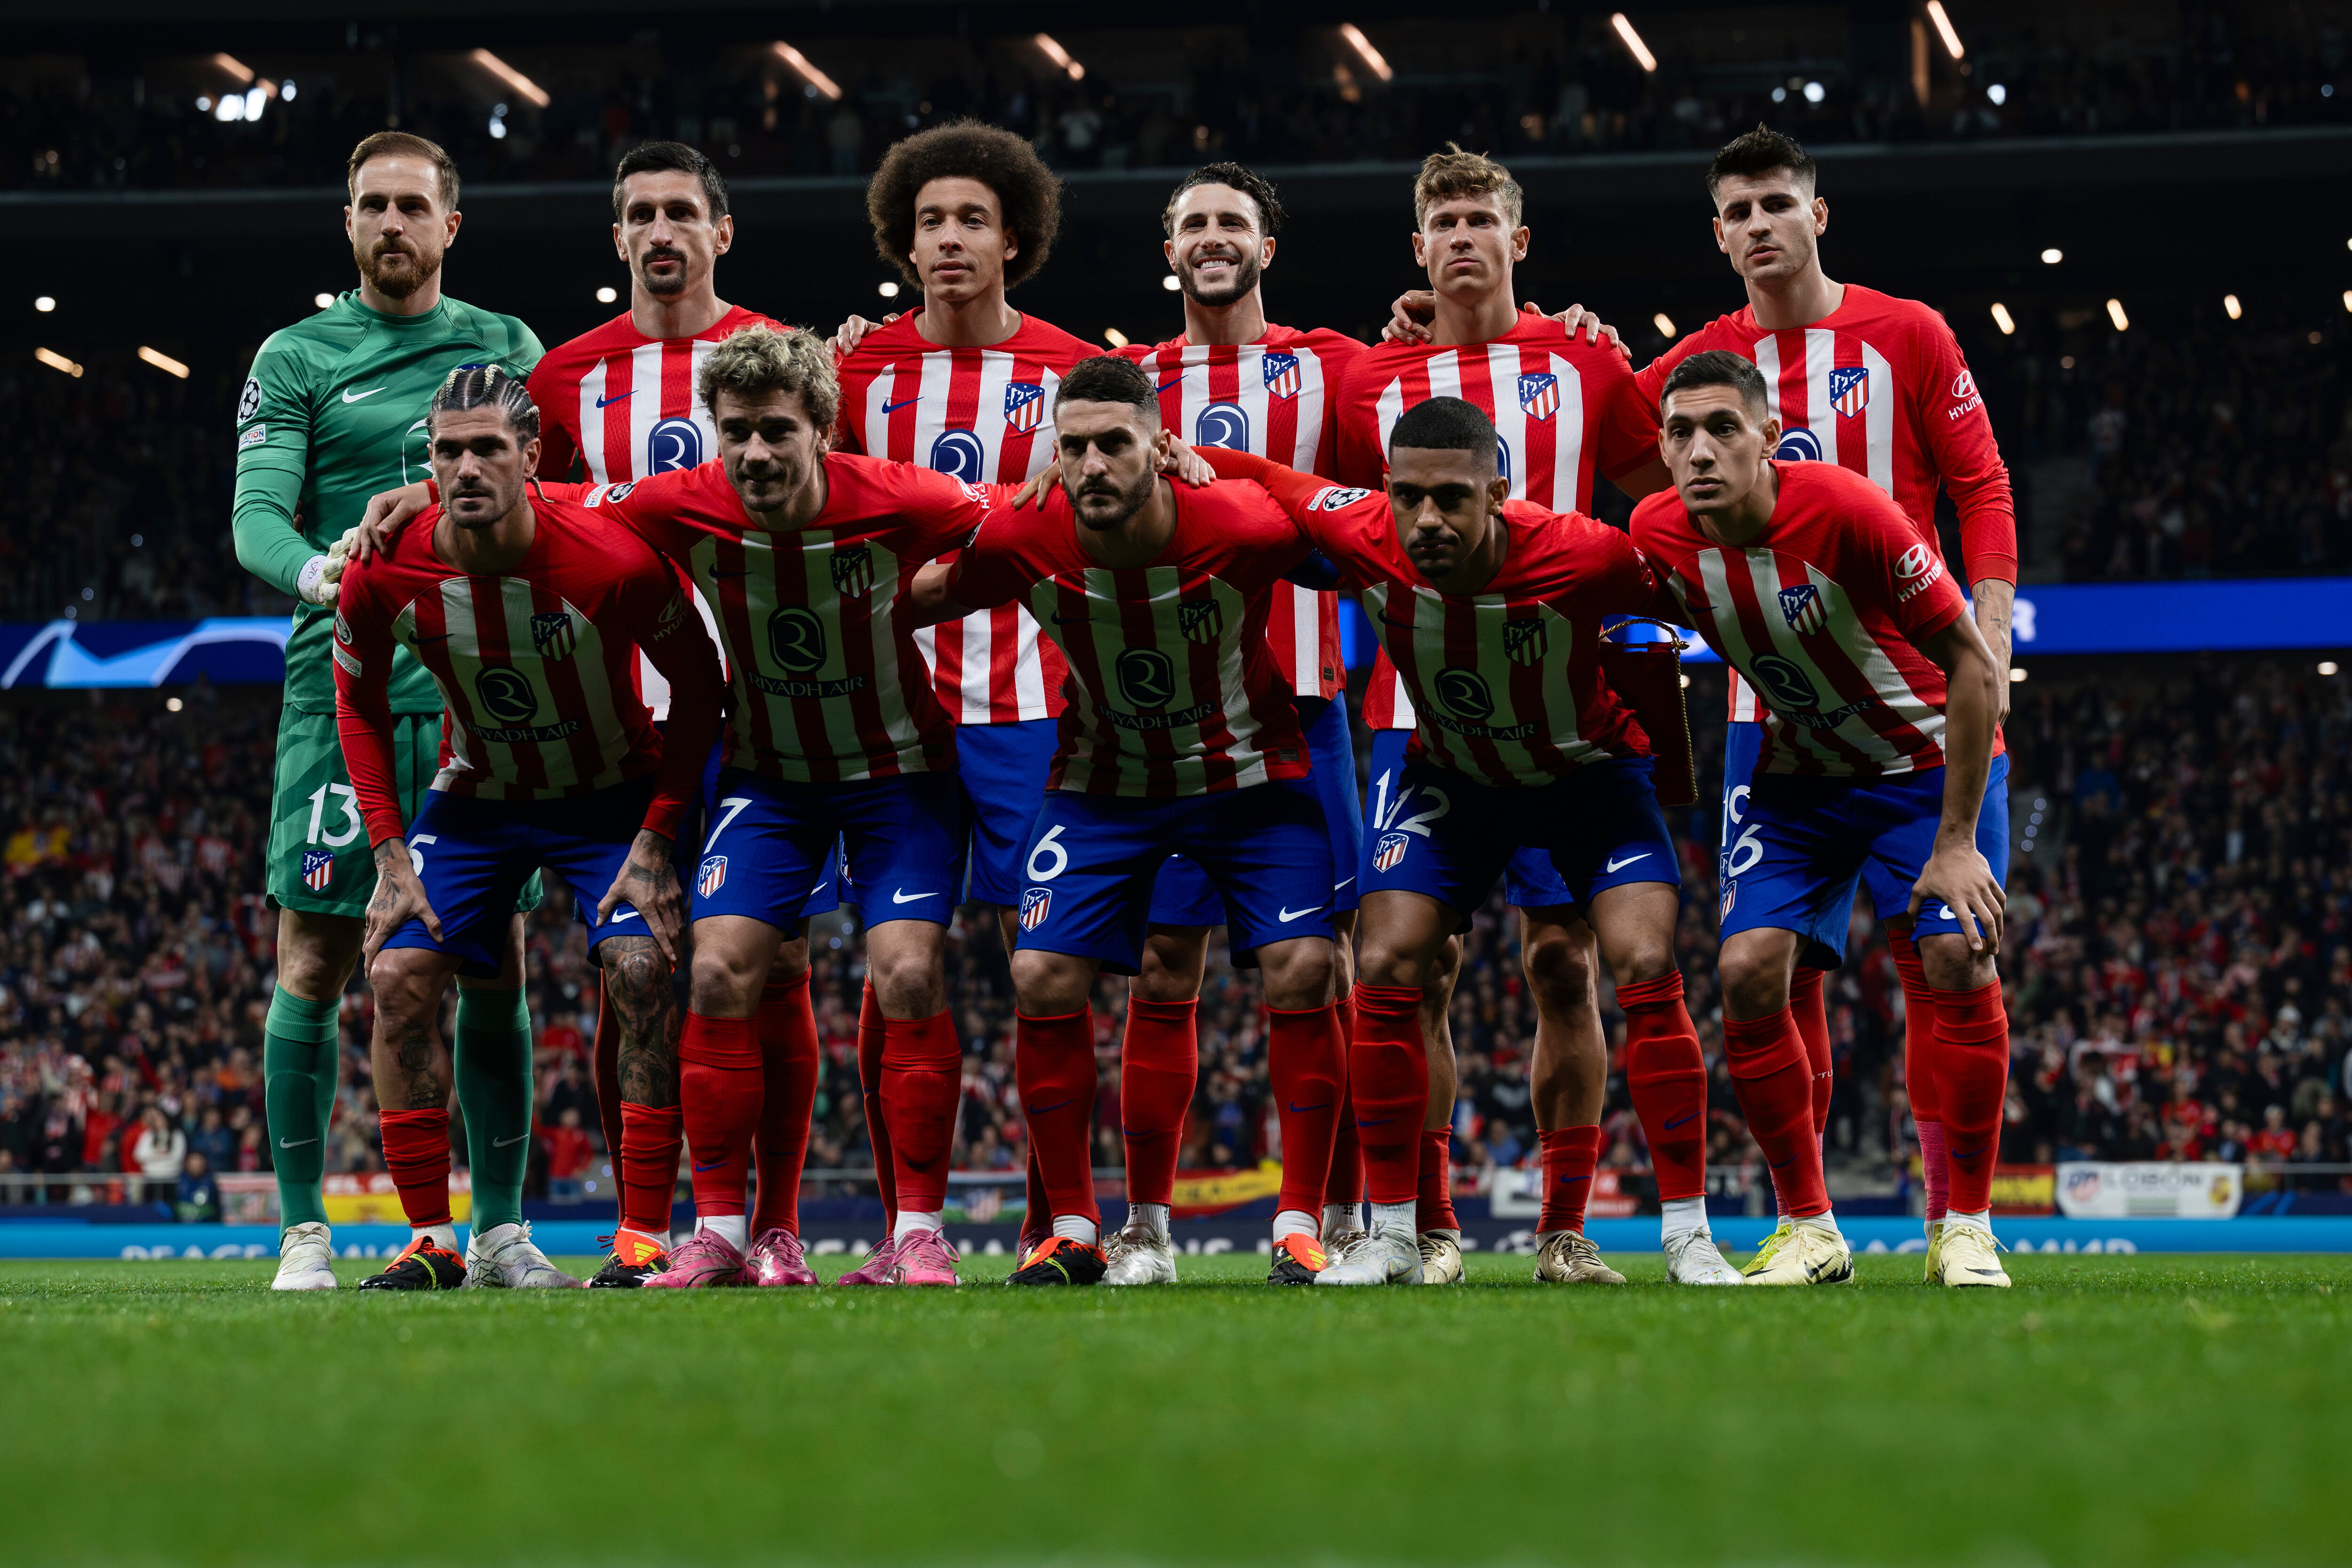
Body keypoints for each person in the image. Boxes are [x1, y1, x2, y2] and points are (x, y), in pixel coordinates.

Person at [1188, 397, 1742, 1287]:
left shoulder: (1584, 553)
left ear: (1500, 490)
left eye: (1451, 498)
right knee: (1389, 963)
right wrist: (1179, 455)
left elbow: (1706, 608)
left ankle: (1685, 1236)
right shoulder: (1364, 529)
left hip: (1585, 776)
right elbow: (1271, 480)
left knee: (1637, 960)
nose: (1427, 520)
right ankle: (1398, 1234)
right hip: (1454, 777)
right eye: (1408, 497)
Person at [1631, 126, 2018, 1271]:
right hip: (1781, 722)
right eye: (1736, 213)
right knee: (1765, 968)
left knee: (1943, 956)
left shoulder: (1906, 333)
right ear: (1716, 234)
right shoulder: (1695, 366)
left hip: (1919, 687)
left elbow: (1981, 484)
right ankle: (1811, 1228)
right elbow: (1593, 444)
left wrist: (1986, 639)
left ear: (1816, 215)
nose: (1757, 227)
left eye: (1774, 206)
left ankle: (1961, 1225)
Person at [539, 325, 994, 1288]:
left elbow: (1022, 520)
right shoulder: (682, 502)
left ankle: (917, 1231)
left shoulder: (907, 496)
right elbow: (559, 503)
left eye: (776, 431)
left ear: (821, 429)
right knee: (716, 970)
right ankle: (720, 1232)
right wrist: (420, 496)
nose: (753, 452)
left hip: (900, 774)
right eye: (735, 430)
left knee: (907, 972)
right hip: (768, 780)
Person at [1340, 144, 1711, 1279]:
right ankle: (1430, 1232)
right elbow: (1333, 511)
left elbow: (1664, 498)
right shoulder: (1370, 380)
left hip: (1566, 708)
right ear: (1417, 249)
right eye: (1440, 221)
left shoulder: (1589, 359)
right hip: (1426, 709)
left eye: (1478, 218)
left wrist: (1669, 646)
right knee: (1414, 966)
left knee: (1563, 964)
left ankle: (1563, 1229)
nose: (1460, 236)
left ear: (1518, 241)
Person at [909, 355, 1345, 1288]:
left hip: (1250, 779)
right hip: (1103, 784)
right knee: (1040, 968)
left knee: (1307, 964)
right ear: (1053, 456)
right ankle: (1072, 1226)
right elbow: (933, 589)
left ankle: (1303, 1222)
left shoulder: (1238, 522)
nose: (1095, 463)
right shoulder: (1026, 531)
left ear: (1161, 448)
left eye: (1115, 443)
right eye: (1075, 448)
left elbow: (1352, 547)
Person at [333, 364, 724, 1290]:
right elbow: (357, 704)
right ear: (426, 464)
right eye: (448, 451)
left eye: (488, 449)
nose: (467, 467)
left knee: (639, 971)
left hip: (609, 799)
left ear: (531, 456)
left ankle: (640, 1237)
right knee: (393, 976)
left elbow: (703, 689)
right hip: (476, 803)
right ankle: (432, 1241)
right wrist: (389, 853)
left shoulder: (611, 559)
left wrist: (658, 837)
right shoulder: (385, 565)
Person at [231, 131, 543, 1291]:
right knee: (313, 953)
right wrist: (337, 578)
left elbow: (546, 495)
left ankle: (501, 1229)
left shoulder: (506, 348)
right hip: (341, 687)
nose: (393, 224)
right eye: (373, 205)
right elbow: (257, 519)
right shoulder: (297, 355)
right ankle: (304, 1231)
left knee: (492, 955)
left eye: (414, 205)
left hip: (483, 689)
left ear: (450, 225)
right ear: (349, 223)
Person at [524, 139, 830, 1276]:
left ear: (720, 232)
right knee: (637, 967)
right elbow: (529, 517)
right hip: (624, 723)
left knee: (778, 967)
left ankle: (779, 1222)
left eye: (681, 213)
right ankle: (645, 1224)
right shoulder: (567, 376)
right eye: (639, 215)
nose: (661, 232)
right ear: (617, 239)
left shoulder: (769, 362)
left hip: (760, 711)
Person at [826, 120, 1096, 1284]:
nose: (948, 239)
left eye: (971, 220)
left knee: (1044, 966)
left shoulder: (1073, 373)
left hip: (1034, 704)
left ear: (1014, 237)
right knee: (903, 963)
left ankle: (1056, 1223)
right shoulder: (854, 372)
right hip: (893, 713)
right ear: (901, 236)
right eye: (929, 219)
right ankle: (908, 1231)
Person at [1100, 162, 1368, 1284]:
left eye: (1233, 224)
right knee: (1164, 961)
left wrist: (1553, 318)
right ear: (1168, 251)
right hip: (1166, 712)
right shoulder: (1126, 380)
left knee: (1319, 961)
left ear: (1267, 248)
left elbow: (1404, 459)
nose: (1212, 239)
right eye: (1192, 224)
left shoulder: (1332, 367)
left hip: (1302, 709)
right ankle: (1147, 1227)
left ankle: (1322, 1216)